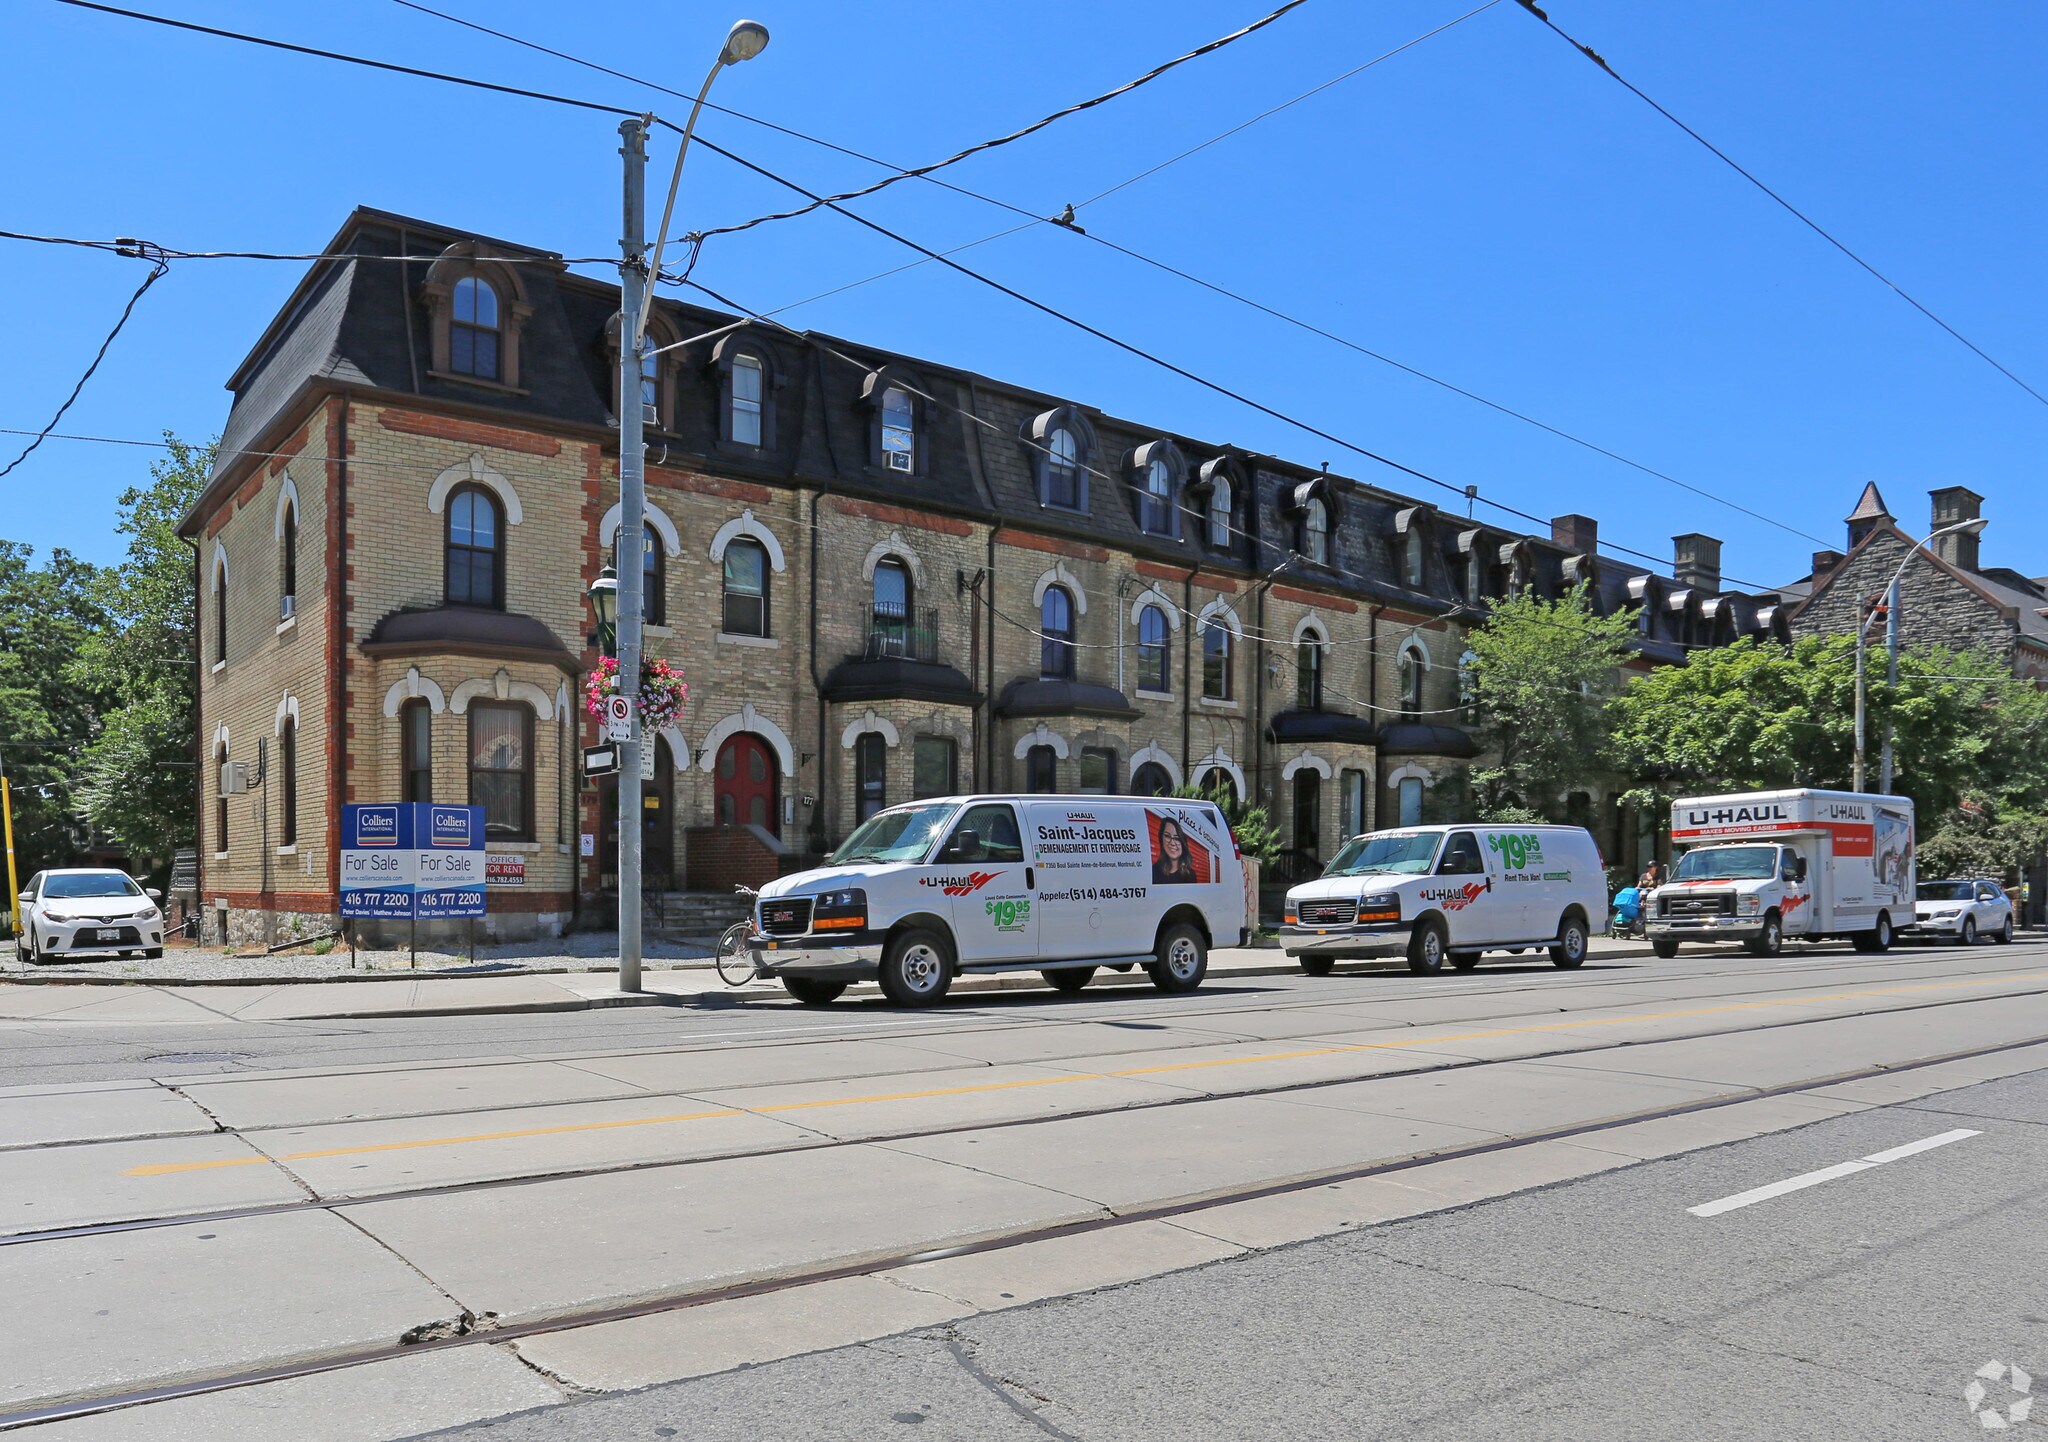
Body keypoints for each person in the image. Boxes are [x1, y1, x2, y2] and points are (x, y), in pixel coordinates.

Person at [1153, 815, 1198, 885]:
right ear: (1161, 839)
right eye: (1167, 836)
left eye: (1177, 838)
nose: (1172, 843)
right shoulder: (1154, 870)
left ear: (1183, 843)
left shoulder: (1189, 875)